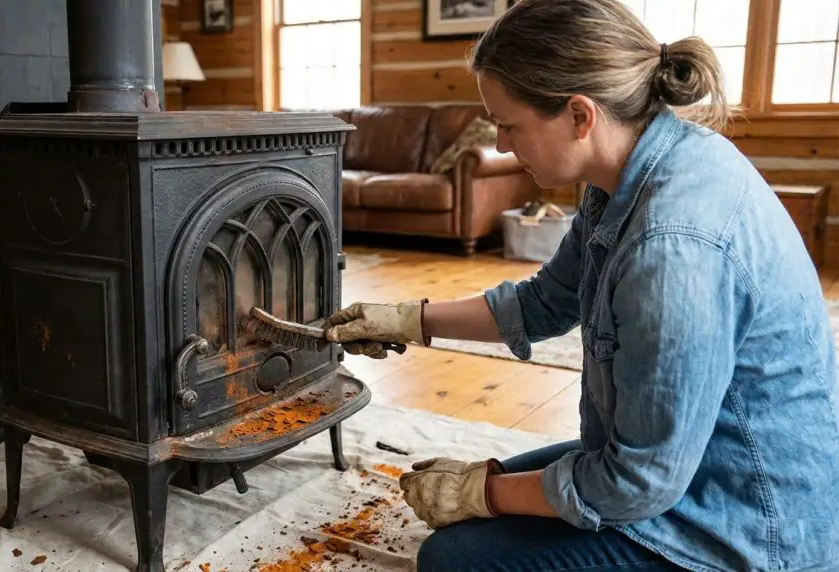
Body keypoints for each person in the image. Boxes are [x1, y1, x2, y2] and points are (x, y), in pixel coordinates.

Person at [321, 0, 839, 570]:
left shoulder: (671, 248)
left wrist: (481, 492)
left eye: (510, 124)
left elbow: (638, 482)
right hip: (694, 462)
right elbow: (545, 303)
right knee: (502, 498)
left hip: (745, 521)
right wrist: (406, 319)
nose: (499, 145)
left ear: (579, 115)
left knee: (454, 557)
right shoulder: (626, 173)